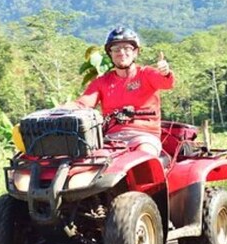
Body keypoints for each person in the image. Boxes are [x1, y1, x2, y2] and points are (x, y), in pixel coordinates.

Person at [71, 26, 174, 154]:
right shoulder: (102, 82)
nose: (121, 52)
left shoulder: (146, 74)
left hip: (145, 137)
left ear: (136, 52)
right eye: (116, 49)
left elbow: (166, 82)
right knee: (91, 165)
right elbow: (82, 104)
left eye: (127, 48)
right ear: (110, 54)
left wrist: (165, 72)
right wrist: (59, 110)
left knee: (143, 157)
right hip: (112, 139)